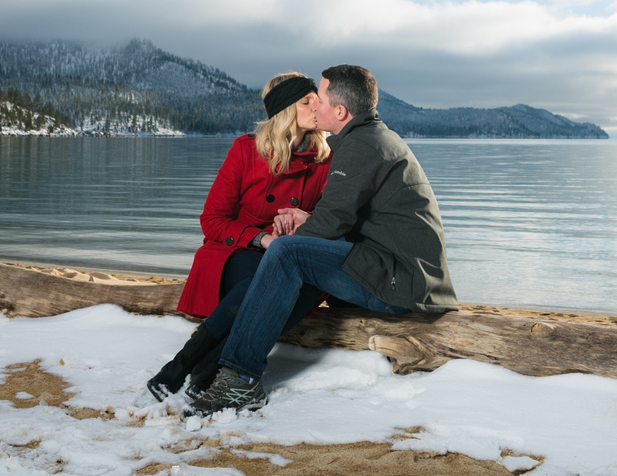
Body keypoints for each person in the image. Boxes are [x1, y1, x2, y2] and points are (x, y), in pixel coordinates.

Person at [185, 64, 457, 416]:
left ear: (340, 111)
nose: (316, 108)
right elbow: (343, 217)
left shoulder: (361, 147)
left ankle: (239, 380)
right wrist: (308, 220)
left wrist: (291, 235)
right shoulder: (367, 139)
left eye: (321, 100)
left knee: (286, 253)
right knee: (289, 253)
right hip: (397, 271)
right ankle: (220, 364)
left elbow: (328, 227)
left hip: (400, 283)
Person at [146, 72, 331, 402]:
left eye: (317, 99)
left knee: (295, 282)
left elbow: (331, 219)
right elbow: (212, 220)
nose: (317, 106)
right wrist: (262, 240)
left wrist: (303, 225)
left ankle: (200, 367)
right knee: (262, 282)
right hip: (237, 250)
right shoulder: (246, 150)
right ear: (285, 110)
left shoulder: (325, 160)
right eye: (307, 101)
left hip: (289, 256)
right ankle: (189, 366)